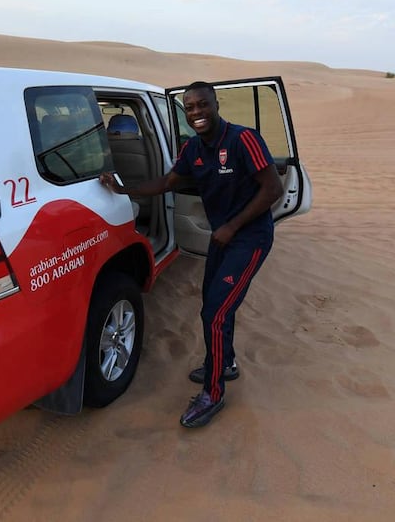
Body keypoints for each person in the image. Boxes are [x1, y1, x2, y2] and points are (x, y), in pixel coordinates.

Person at [99, 81, 283, 428]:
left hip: (250, 238)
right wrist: (123, 189)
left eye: (202, 105)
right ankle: (225, 363)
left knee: (215, 312)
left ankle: (213, 393)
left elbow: (272, 188)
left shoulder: (244, 139)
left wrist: (233, 225)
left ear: (215, 104)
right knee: (211, 308)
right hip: (222, 237)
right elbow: (168, 183)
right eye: (191, 108)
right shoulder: (194, 149)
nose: (196, 112)